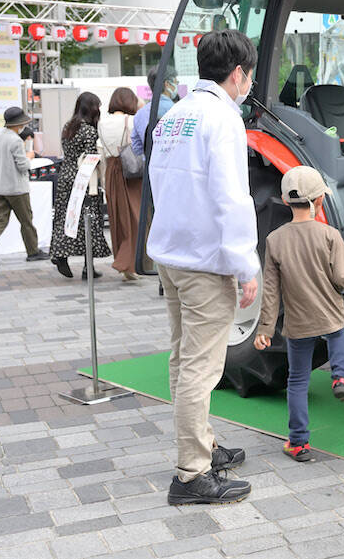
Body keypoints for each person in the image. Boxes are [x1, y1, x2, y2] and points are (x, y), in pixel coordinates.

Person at [147, 30, 260, 505]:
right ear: (238, 74)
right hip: (204, 260)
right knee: (200, 366)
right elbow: (232, 197)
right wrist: (245, 264)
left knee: (182, 357)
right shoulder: (223, 119)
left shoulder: (175, 114)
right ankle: (192, 475)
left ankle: (204, 444)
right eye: (249, 76)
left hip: (171, 253)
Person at [254, 166, 344, 462]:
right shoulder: (330, 235)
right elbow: (342, 278)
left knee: (297, 382)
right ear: (319, 201)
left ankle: (299, 443)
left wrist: (266, 330)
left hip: (298, 322)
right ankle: (341, 377)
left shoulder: (275, 240)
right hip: (328, 314)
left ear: (284, 199)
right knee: (337, 332)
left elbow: (271, 290)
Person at [50, 92, 111, 279]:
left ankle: (60, 254)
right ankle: (88, 266)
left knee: (64, 218)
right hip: (83, 180)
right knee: (88, 221)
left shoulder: (68, 127)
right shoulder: (89, 131)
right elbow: (92, 158)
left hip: (65, 177)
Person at [0, 107, 51, 264]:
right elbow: (22, 166)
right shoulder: (15, 140)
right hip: (16, 189)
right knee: (26, 220)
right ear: (18, 123)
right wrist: (29, 157)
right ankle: (33, 251)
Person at [99, 87, 142, 280]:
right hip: (129, 172)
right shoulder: (131, 121)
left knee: (118, 218)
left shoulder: (102, 122)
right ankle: (128, 264)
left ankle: (125, 263)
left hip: (111, 171)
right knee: (135, 217)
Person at [131, 66, 179, 157]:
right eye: (176, 82)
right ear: (167, 84)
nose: (177, 86)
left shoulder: (140, 113)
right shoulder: (178, 110)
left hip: (149, 167)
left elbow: (137, 148)